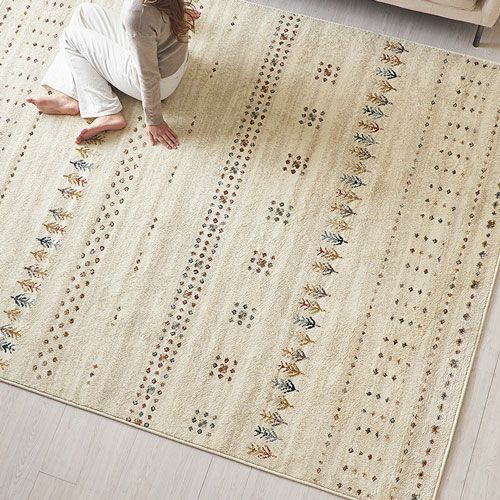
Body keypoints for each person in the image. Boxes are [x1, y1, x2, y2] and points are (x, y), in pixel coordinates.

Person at [26, 0, 200, 150]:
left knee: (70, 37)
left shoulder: (137, 15)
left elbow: (148, 75)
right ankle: (69, 94)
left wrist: (154, 120)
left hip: (159, 81)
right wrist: (177, 11)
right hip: (174, 58)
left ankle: (106, 110)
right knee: (83, 13)